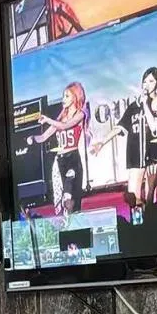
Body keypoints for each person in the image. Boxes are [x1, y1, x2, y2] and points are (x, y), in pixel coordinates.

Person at [94, 67, 157, 222]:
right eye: (144, 81)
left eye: (151, 81)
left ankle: (153, 224)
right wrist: (102, 142)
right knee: (133, 195)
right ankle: (137, 227)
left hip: (154, 150)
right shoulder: (133, 106)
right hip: (136, 153)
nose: (146, 85)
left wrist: (145, 105)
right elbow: (120, 126)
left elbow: (155, 129)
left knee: (150, 194)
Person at [30, 82, 91, 215]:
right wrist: (32, 138)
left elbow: (65, 126)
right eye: (63, 96)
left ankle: (74, 216)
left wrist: (48, 120)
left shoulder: (81, 113)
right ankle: (66, 220)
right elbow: (43, 137)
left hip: (73, 159)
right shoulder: (61, 118)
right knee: (64, 201)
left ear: (75, 97)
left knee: (72, 198)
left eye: (67, 96)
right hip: (60, 161)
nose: (63, 99)